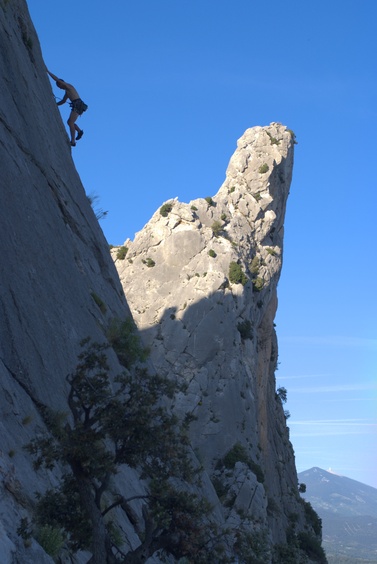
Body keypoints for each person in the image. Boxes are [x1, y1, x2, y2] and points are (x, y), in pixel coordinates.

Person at [47, 69, 87, 147]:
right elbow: (63, 101)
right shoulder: (67, 92)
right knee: (70, 122)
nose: (59, 88)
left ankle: (73, 141)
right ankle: (79, 131)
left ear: (61, 83)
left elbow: (57, 79)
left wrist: (48, 72)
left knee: (70, 122)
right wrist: (55, 104)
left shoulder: (68, 86)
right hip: (77, 105)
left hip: (78, 104)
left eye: (59, 86)